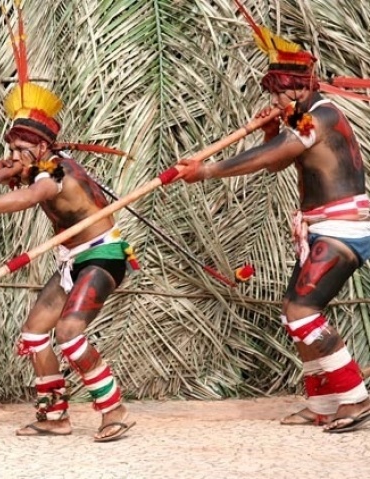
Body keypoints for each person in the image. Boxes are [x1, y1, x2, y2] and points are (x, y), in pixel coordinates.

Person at [0, 4, 137, 442]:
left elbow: (26, 198)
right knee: (34, 336)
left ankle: (114, 409)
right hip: (73, 259)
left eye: (20, 149)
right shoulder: (33, 166)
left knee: (69, 333)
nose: (13, 155)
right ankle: (54, 417)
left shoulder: (55, 177)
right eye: (11, 146)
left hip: (103, 257)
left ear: (43, 149)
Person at [177, 10, 370, 433]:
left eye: (282, 94)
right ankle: (322, 402)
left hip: (343, 228)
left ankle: (354, 397)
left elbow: (273, 157)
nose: (277, 102)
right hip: (323, 226)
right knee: (293, 313)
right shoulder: (304, 118)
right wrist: (267, 131)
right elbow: (276, 164)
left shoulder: (318, 117)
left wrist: (207, 170)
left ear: (300, 88)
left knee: (303, 311)